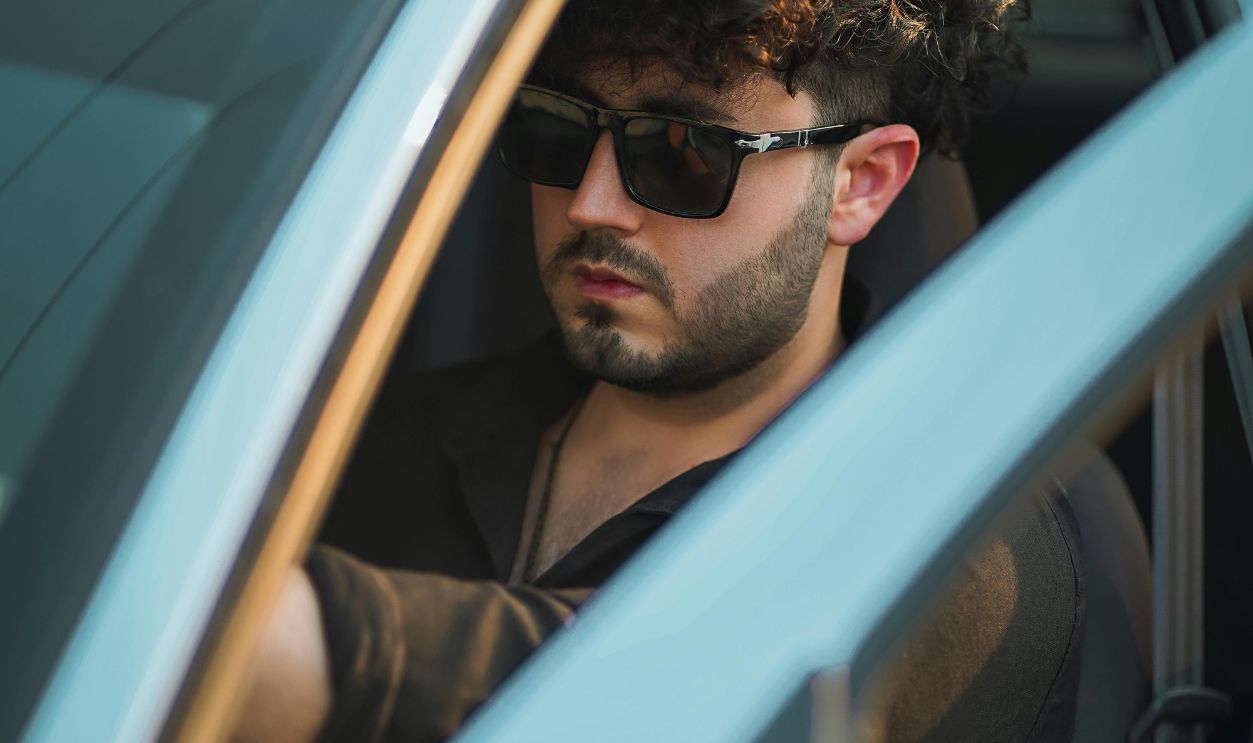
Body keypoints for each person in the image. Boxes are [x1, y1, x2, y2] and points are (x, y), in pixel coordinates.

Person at [232, 1, 1085, 741]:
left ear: (859, 183)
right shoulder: (358, 445)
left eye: (682, 152)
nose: (591, 205)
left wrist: (278, 651)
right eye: (556, 131)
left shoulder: (958, 550)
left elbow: (692, 686)